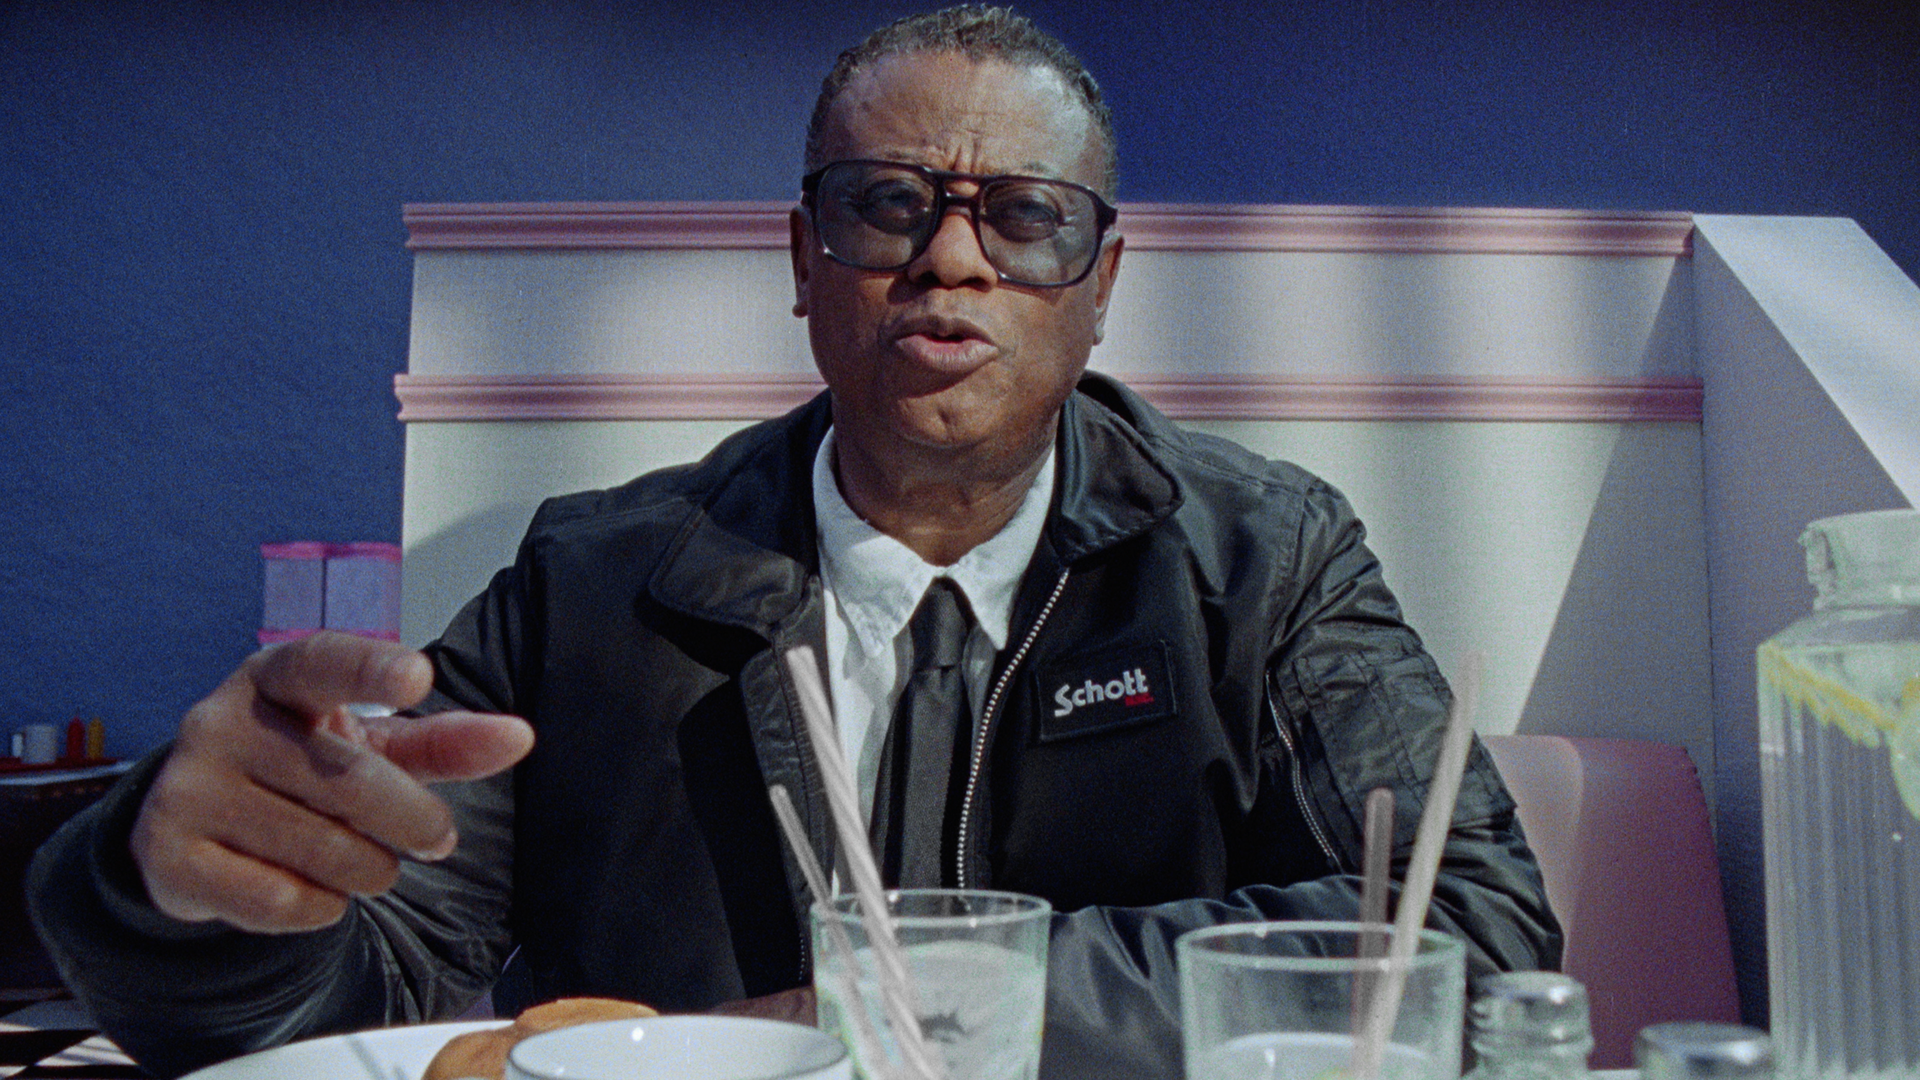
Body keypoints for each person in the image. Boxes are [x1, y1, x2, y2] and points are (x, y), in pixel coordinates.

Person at [29, 7, 1560, 1078]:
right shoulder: (590, 587)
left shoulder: (1261, 560)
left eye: (1024, 216)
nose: (949, 256)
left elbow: (1479, 935)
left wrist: (893, 1016)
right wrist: (172, 893)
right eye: (886, 203)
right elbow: (359, 1003)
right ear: (802, 258)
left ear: (1099, 286)